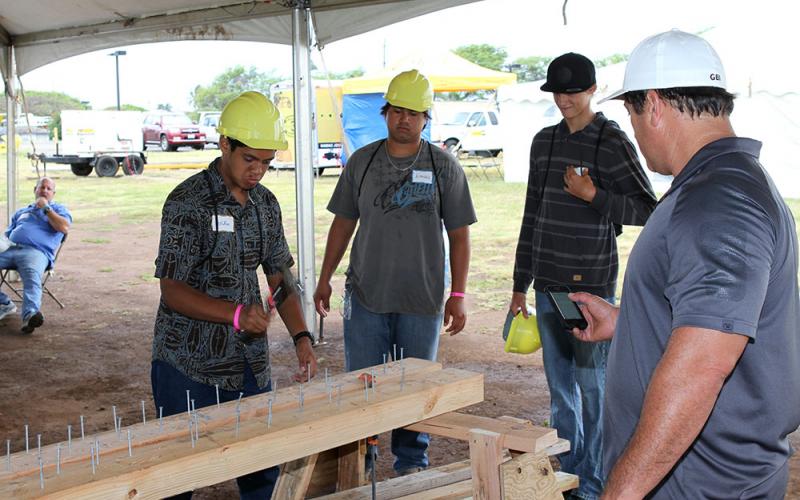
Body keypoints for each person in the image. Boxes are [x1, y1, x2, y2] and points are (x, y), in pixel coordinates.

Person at [571, 29, 800, 498]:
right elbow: (716, 317)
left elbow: (702, 364)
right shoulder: (722, 185)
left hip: (698, 481)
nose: (634, 131)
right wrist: (633, 323)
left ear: (653, 105)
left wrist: (622, 492)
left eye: (631, 113)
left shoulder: (719, 199)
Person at [151, 91, 318, 499]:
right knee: (179, 475)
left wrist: (301, 338)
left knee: (261, 471)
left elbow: (280, 276)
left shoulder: (265, 204)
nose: (258, 170)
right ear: (224, 144)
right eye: (249, 159)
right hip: (188, 365)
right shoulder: (187, 201)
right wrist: (237, 315)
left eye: (267, 161)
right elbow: (172, 290)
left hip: (248, 362)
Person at [313, 69, 476, 475]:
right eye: (397, 111)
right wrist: (324, 277)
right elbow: (343, 223)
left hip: (422, 302)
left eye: (414, 113)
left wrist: (457, 295)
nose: (404, 120)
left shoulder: (444, 166)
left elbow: (459, 235)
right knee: (362, 391)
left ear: (426, 118)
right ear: (385, 113)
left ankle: (410, 469)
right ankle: (360, 468)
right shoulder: (363, 162)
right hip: (367, 297)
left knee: (414, 393)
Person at [509, 53, 657, 499]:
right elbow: (532, 212)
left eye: (572, 91)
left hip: (590, 287)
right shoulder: (544, 142)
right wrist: (519, 283)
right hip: (548, 283)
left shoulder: (610, 142)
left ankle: (595, 484)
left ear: (592, 90)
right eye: (557, 91)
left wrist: (594, 194)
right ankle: (570, 478)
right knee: (560, 393)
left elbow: (649, 208)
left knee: (594, 391)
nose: (563, 99)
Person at [0, 177, 71, 334]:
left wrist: (46, 208)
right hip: (10, 249)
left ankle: (30, 315)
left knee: (32, 276)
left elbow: (64, 227)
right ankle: (4, 303)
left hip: (36, 252)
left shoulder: (59, 210)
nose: (44, 190)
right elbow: (8, 233)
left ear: (53, 193)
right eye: (41, 187)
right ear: (35, 190)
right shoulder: (22, 211)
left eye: (48, 188)